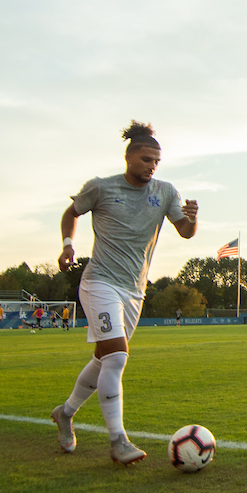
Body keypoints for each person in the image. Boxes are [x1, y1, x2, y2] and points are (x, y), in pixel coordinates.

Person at [51, 120, 198, 465]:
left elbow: (186, 232)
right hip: (99, 280)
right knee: (117, 357)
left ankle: (66, 413)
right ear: (129, 156)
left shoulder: (164, 192)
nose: (152, 166)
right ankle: (118, 440)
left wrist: (192, 218)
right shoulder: (101, 188)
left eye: (156, 161)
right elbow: (71, 212)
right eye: (147, 159)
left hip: (135, 290)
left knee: (105, 358)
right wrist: (68, 245)